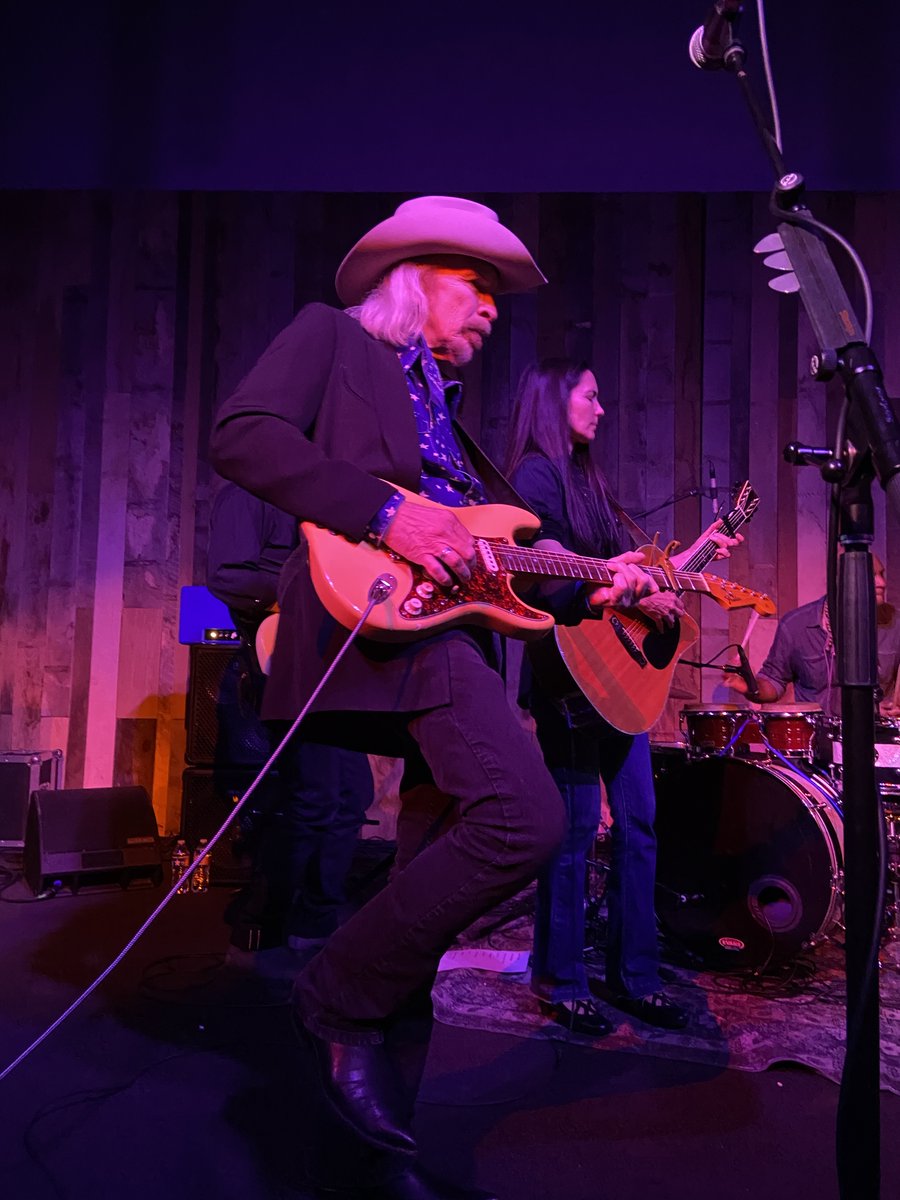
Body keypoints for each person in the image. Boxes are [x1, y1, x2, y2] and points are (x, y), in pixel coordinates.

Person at [209, 197, 656, 1200]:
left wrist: (600, 578)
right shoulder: (332, 341)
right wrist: (385, 511)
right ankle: (329, 993)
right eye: (479, 286)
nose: (495, 310)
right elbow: (240, 435)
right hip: (365, 618)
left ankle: (375, 1151)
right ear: (416, 278)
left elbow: (495, 561)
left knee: (424, 888)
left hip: (447, 637)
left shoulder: (453, 422)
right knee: (529, 815)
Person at [507, 358, 741, 1036]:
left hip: (618, 679)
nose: (602, 408)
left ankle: (635, 974)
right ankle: (560, 977)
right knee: (578, 828)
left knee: (639, 825)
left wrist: (686, 564)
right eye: (591, 394)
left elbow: (630, 580)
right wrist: (610, 589)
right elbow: (548, 577)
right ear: (556, 400)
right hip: (568, 677)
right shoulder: (535, 475)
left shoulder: (590, 482)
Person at [206, 481, 374, 954]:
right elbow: (226, 576)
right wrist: (301, 592)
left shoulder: (315, 499)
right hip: (285, 661)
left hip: (329, 660)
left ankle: (315, 915)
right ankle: (275, 916)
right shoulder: (247, 494)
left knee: (350, 794)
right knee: (317, 793)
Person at [725, 553, 900, 718]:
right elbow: (774, 680)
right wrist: (751, 686)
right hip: (817, 740)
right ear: (841, 581)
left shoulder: (895, 624)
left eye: (881, 574)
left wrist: (893, 707)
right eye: (872, 575)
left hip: (875, 738)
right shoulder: (796, 625)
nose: (882, 583)